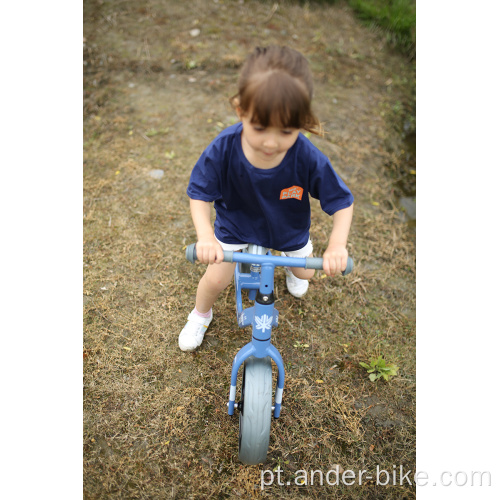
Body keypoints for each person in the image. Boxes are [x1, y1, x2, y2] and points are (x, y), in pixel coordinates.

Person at [179, 45, 354, 352]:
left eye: (286, 131)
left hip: (287, 228)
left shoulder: (307, 157)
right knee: (215, 279)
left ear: (302, 123)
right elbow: (200, 194)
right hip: (236, 224)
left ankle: (290, 263)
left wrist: (337, 245)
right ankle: (200, 315)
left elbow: (341, 202)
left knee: (306, 272)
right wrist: (206, 237)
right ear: (240, 111)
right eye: (259, 128)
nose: (271, 142)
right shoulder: (224, 148)